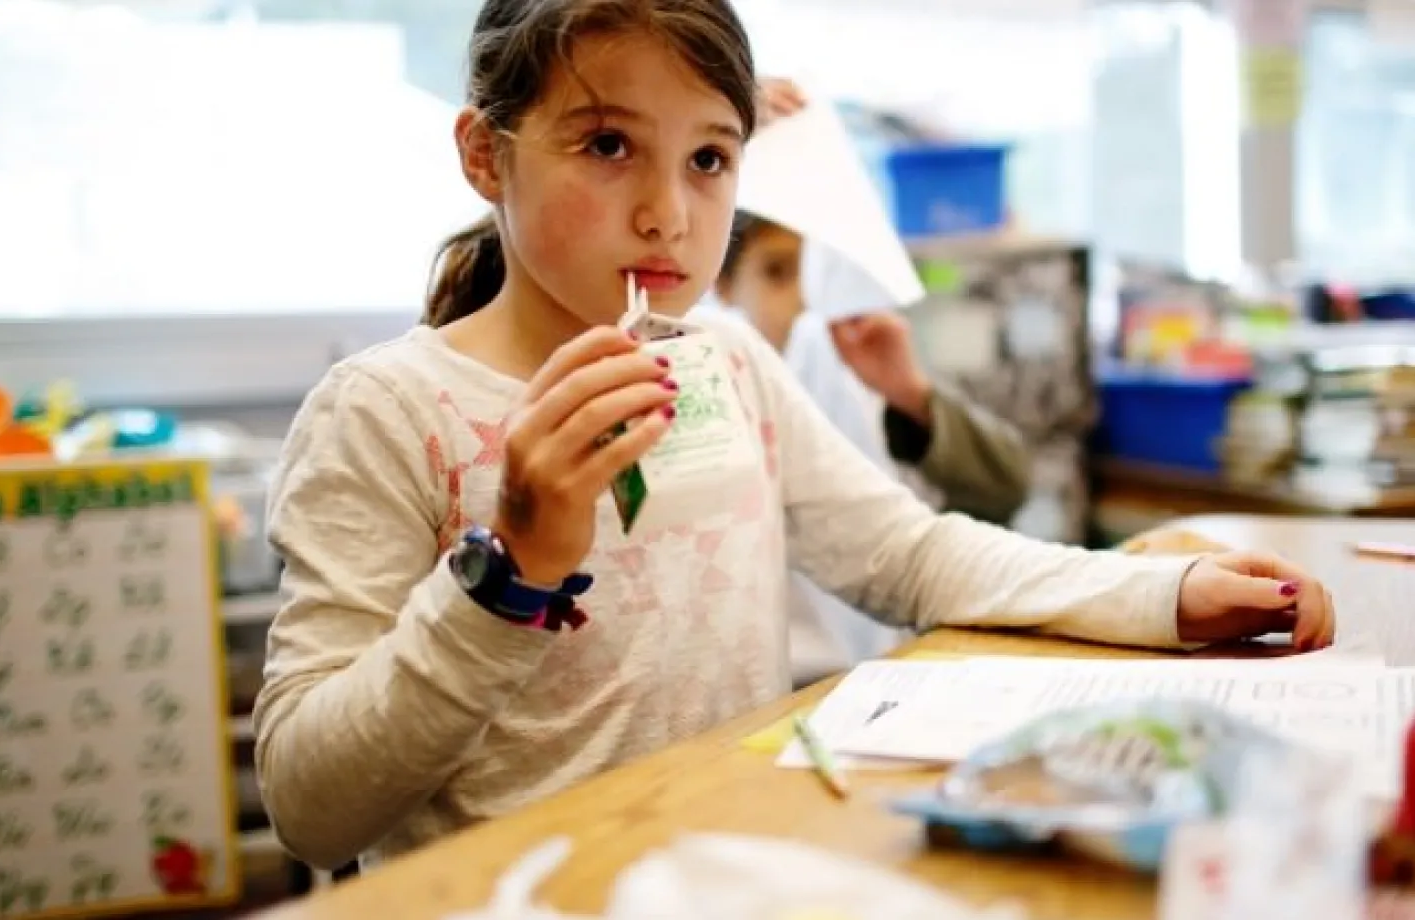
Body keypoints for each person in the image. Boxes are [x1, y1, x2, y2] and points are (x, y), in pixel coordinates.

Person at [254, 0, 1338, 874]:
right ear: (487, 156)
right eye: (607, 144)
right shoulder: (383, 410)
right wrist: (508, 577)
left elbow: (909, 556)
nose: (668, 214)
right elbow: (310, 808)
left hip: (737, 870)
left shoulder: (725, 364)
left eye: (710, 159)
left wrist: (1160, 592)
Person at [707, 212, 1033, 684]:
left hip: (875, 675)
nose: (803, 301)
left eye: (818, 275)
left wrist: (910, 394)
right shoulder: (707, 394)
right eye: (777, 273)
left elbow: (1006, 487)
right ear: (724, 285)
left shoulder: (856, 380)